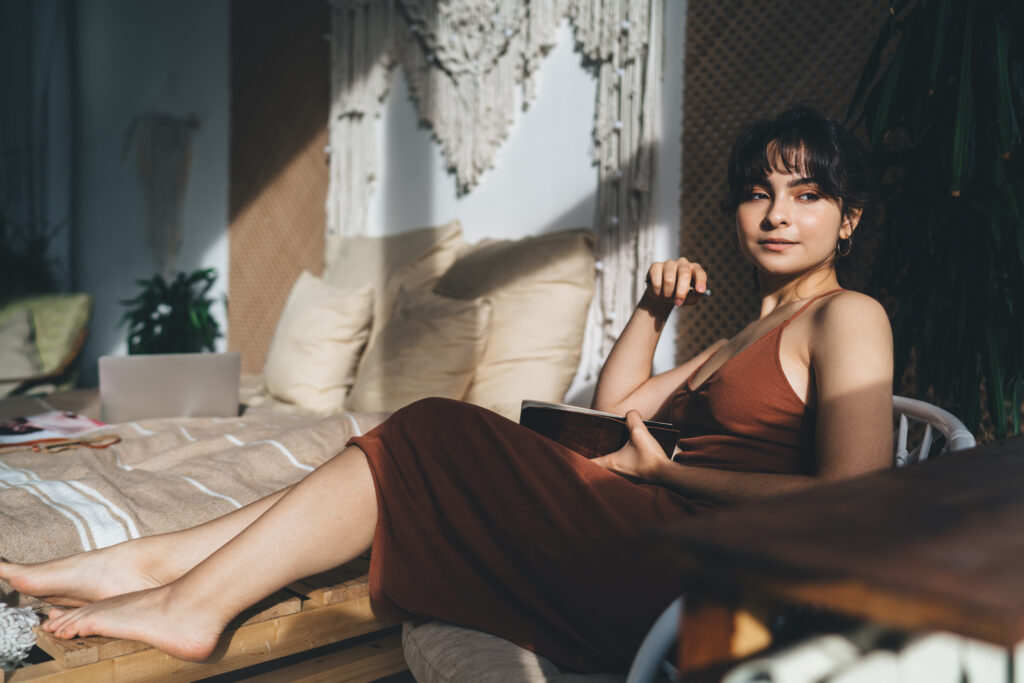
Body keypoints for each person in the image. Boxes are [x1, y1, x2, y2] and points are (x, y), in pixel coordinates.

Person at [0, 106, 893, 674]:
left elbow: (861, 503)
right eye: (758, 191)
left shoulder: (849, 317)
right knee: (410, 444)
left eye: (807, 195)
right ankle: (159, 565)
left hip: (697, 581)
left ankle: (185, 590)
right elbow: (623, 409)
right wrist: (653, 311)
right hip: (655, 534)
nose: (777, 212)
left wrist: (672, 478)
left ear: (846, 220)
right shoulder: (747, 330)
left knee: (426, 429)